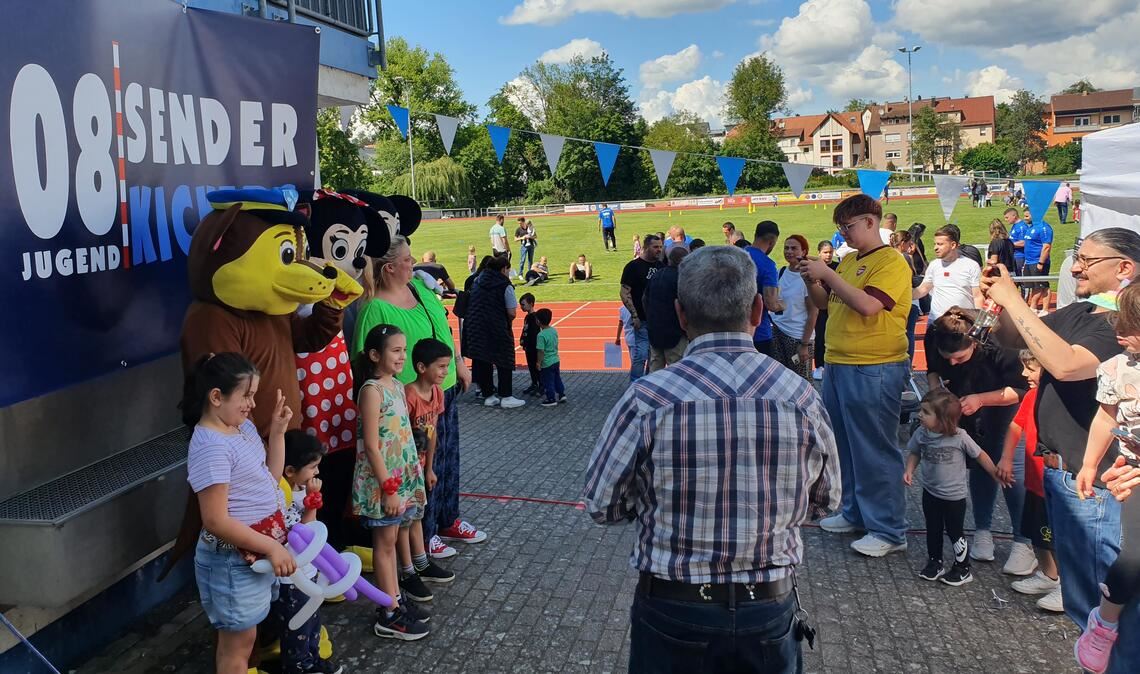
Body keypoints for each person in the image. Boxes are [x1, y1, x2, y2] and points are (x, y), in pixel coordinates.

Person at [584, 245, 841, 672]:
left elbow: (602, 505)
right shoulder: (801, 397)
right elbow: (827, 499)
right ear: (757, 309)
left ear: (681, 314)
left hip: (673, 604)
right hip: (768, 603)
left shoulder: (647, 397)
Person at [981, 228, 1140, 671]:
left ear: (1124, 267)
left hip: (1097, 485)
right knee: (1085, 605)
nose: (1074, 268)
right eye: (1077, 257)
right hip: (1063, 474)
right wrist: (1000, 301)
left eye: (1087, 260)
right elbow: (1017, 340)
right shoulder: (1083, 310)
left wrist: (1015, 301)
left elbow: (1066, 365)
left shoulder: (1119, 324)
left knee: (1110, 608)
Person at [353, 236, 483, 561]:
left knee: (446, 460)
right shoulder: (375, 308)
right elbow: (364, 362)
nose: (414, 264)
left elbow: (444, 327)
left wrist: (459, 363)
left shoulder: (419, 290)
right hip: (408, 402)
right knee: (420, 467)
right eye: (407, 260)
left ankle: (448, 518)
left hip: (441, 389)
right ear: (389, 268)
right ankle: (425, 534)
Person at [800, 194, 912, 558]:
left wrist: (828, 274)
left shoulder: (891, 262)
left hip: (874, 365)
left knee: (875, 449)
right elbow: (824, 303)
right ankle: (856, 511)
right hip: (840, 362)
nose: (843, 233)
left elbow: (868, 305)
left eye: (848, 226)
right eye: (840, 227)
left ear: (870, 222)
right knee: (846, 445)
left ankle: (888, 529)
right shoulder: (849, 261)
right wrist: (812, 280)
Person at [183, 353, 296, 674]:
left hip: (252, 552)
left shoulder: (241, 428)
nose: (252, 404)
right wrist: (271, 546)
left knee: (247, 639)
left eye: (253, 394)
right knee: (238, 646)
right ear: (216, 397)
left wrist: (277, 432)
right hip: (232, 560)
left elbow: (270, 478)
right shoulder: (211, 446)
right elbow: (215, 520)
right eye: (246, 396)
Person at [924, 309, 1032, 572]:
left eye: (959, 357)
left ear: (974, 343)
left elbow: (1022, 389)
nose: (952, 364)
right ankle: (983, 530)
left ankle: (1023, 542)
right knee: (980, 460)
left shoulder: (1001, 344)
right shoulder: (935, 335)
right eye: (947, 358)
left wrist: (981, 399)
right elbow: (933, 370)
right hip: (967, 399)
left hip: (1004, 398)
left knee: (1010, 468)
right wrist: (938, 392)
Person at [1073, 282, 1140, 673]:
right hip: (1132, 472)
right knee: (1134, 554)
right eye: (1119, 322)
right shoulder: (1117, 367)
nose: (1120, 332)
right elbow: (1105, 417)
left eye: (1131, 326)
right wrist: (1089, 464)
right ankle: (1104, 623)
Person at [350, 324, 430, 640]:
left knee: (392, 542)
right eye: (395, 350)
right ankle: (389, 614)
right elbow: (371, 446)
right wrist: (388, 488)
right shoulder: (372, 391)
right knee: (384, 547)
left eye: (404, 350)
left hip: (400, 479)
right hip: (384, 485)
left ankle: (394, 598)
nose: (402, 356)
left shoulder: (395, 385)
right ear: (374, 355)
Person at [905, 389, 1007, 587]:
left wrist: (994, 473)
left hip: (954, 497)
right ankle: (935, 562)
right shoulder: (921, 434)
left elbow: (980, 455)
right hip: (930, 492)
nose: (920, 415)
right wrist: (909, 470)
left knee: (955, 531)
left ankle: (963, 567)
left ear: (943, 419)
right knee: (933, 528)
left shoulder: (960, 437)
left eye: (926, 412)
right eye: (921, 411)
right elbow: (914, 453)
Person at [266, 431, 343, 674]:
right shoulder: (280, 497)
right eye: (312, 467)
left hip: (308, 571)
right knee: (296, 625)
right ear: (290, 470)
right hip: (291, 577)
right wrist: (311, 502)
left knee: (312, 620)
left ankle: (312, 659)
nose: (317, 472)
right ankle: (297, 666)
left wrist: (311, 500)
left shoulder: (300, 490)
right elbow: (305, 534)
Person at [1002, 350, 1065, 613]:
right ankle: (1049, 576)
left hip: (1053, 483)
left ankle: (1068, 587)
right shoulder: (1031, 396)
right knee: (1036, 533)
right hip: (1034, 480)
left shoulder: (1059, 399)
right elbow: (1016, 425)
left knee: (1057, 537)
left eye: (1031, 369)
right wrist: (1006, 458)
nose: (1024, 374)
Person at [399, 338, 457, 602]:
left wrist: (430, 467)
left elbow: (432, 433)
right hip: (404, 468)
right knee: (405, 519)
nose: (446, 371)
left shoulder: (438, 393)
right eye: (441, 366)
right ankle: (407, 571)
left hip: (421, 466)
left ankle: (421, 562)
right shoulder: (409, 396)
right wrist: (412, 467)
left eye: (447, 366)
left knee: (417, 515)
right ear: (422, 367)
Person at [462, 255, 526, 409]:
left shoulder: (478, 280)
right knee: (504, 359)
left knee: (483, 358)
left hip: (475, 326)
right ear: (503, 269)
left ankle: (488, 395)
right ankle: (506, 396)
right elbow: (511, 312)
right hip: (496, 326)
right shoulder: (505, 285)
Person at [912, 224, 983, 324]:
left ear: (953, 245)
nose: (935, 248)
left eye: (940, 244)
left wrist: (979, 322)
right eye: (935, 244)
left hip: (962, 323)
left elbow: (978, 296)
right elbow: (923, 289)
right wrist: (902, 296)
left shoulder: (971, 266)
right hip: (936, 321)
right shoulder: (934, 265)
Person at [771, 234, 817, 381]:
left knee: (801, 380)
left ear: (804, 252)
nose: (789, 251)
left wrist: (804, 344)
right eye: (786, 248)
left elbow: (813, 313)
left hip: (797, 336)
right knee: (781, 379)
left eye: (794, 248)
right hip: (778, 331)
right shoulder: (781, 271)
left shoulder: (808, 278)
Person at [620, 235, 665, 382]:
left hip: (658, 320)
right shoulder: (633, 267)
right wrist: (634, 315)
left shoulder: (661, 266)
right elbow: (624, 292)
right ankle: (635, 382)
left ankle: (649, 382)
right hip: (642, 319)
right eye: (655, 247)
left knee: (655, 355)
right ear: (646, 247)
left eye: (660, 247)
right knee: (641, 353)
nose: (659, 250)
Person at [643, 246, 689, 372]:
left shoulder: (656, 275)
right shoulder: (681, 278)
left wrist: (650, 319)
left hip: (655, 331)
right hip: (675, 332)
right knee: (677, 370)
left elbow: (645, 299)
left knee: (655, 369)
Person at [746, 220, 785, 356]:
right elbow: (771, 304)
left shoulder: (737, 256)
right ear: (772, 241)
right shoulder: (767, 265)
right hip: (759, 333)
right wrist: (782, 305)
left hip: (735, 331)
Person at [811, 241, 838, 380]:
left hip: (835, 307)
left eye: (830, 252)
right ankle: (819, 365)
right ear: (819, 253)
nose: (828, 255)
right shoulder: (815, 267)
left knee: (834, 336)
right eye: (825, 252)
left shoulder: (838, 267)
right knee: (820, 335)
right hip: (820, 307)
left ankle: (833, 364)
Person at [1021, 209, 1054, 315]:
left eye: (1027, 216)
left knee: (1042, 285)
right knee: (1034, 286)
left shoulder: (1044, 228)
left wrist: (1041, 262)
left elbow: (1046, 246)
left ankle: (1045, 309)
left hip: (1038, 262)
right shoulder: (1031, 227)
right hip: (1029, 261)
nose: (1025, 219)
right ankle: (1034, 307)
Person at [534, 308, 566, 408]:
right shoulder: (553, 330)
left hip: (547, 362)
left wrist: (538, 362)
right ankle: (561, 394)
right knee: (557, 378)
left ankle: (551, 398)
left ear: (538, 321)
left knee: (548, 381)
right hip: (556, 359)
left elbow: (541, 351)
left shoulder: (541, 335)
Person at [519, 293, 541, 395]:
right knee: (531, 367)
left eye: (523, 304)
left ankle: (541, 385)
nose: (521, 307)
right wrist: (522, 339)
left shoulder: (534, 317)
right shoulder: (527, 317)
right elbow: (525, 330)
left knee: (536, 367)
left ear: (531, 304)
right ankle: (534, 383)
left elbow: (534, 333)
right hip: (528, 347)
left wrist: (528, 342)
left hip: (533, 347)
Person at [1005, 207, 1028, 274]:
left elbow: (1023, 243)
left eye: (1007, 217)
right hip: (1014, 256)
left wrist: (1008, 245)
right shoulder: (1015, 226)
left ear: (1014, 216)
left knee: (1021, 277)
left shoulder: (1022, 227)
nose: (1006, 220)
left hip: (1020, 257)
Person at [615, 305, 638, 372]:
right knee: (637, 361)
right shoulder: (637, 306)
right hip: (637, 338)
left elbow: (620, 323)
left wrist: (618, 338)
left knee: (634, 360)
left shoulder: (622, 308)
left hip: (629, 338)